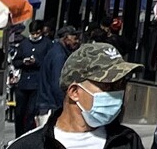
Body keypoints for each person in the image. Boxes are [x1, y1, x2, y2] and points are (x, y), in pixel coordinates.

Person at [8, 42, 142, 149]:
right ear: (74, 92)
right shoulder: (30, 145)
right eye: (108, 86)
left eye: (121, 85)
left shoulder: (127, 141)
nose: (118, 93)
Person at [37, 23, 79, 128]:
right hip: (50, 105)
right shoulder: (59, 56)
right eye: (74, 38)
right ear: (66, 38)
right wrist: (65, 105)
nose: (76, 41)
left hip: (47, 102)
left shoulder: (56, 50)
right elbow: (58, 84)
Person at [14, 21, 47, 129]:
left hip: (36, 84)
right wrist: (23, 62)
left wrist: (36, 62)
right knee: (19, 113)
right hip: (23, 83)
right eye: (32, 33)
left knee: (31, 113)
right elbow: (16, 61)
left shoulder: (47, 44)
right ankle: (18, 135)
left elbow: (48, 64)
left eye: (37, 33)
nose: (34, 36)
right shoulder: (24, 44)